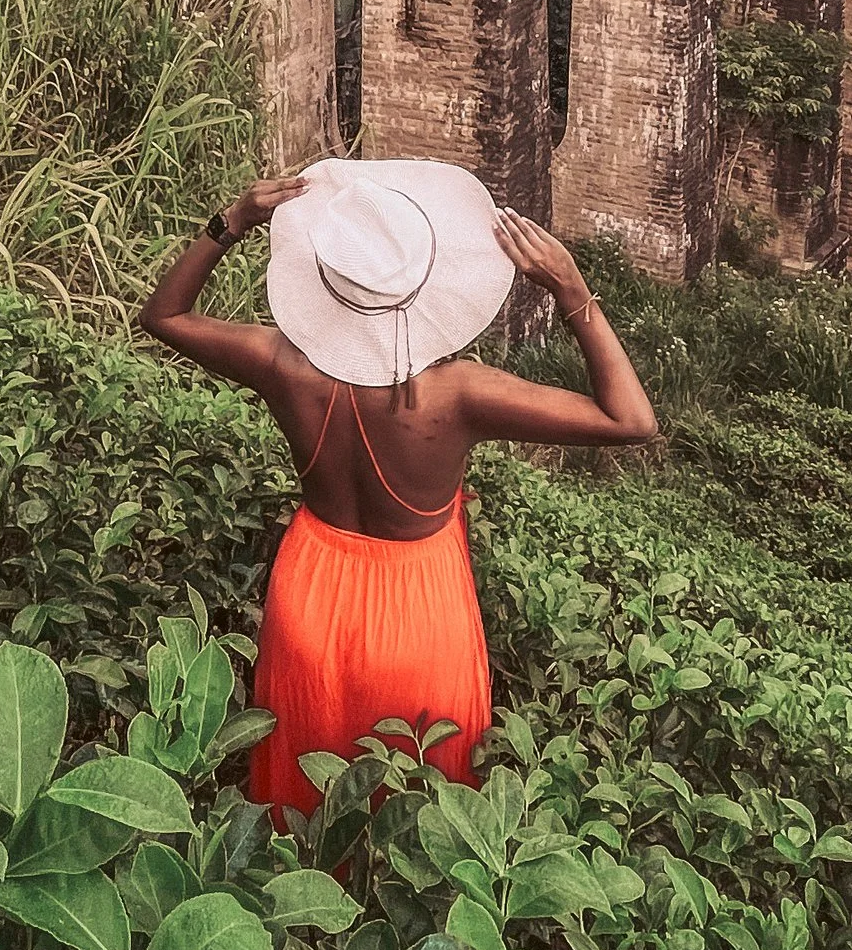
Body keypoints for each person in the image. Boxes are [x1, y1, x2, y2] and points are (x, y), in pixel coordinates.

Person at [135, 157, 658, 817]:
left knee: (307, 801)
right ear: (425, 286)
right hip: (418, 617)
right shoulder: (457, 393)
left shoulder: (282, 364)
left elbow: (165, 315)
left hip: (310, 598)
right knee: (418, 815)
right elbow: (631, 418)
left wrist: (232, 220)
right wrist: (571, 289)